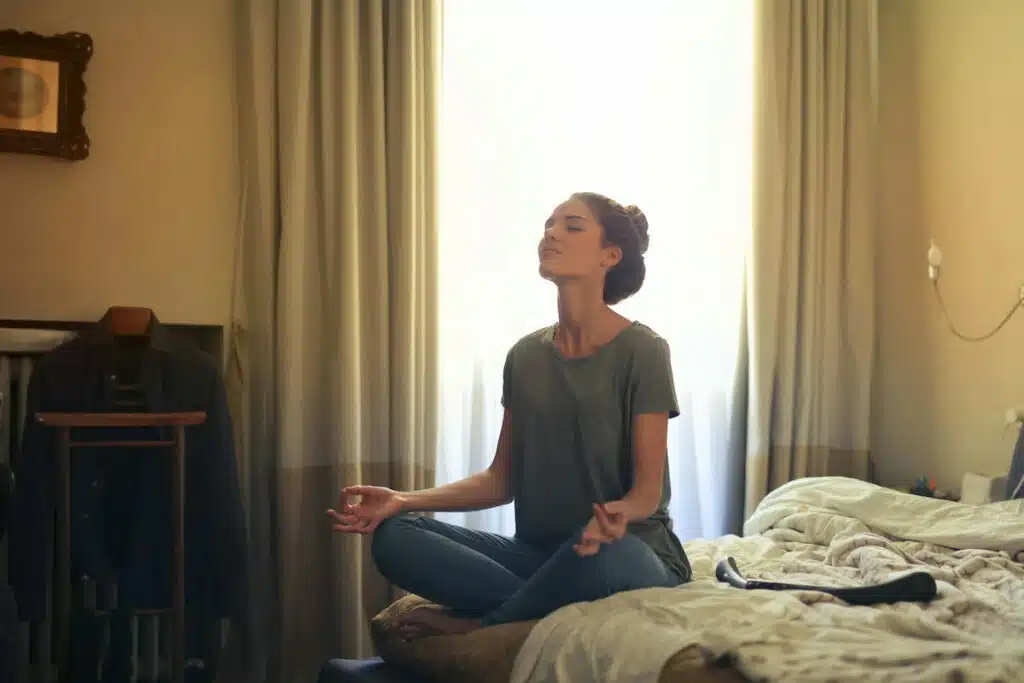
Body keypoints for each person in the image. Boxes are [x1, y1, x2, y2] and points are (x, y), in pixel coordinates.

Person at [327, 192, 691, 639]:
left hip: (625, 551)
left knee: (606, 555)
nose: (551, 233)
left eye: (572, 226)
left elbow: (647, 493)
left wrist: (617, 511)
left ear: (609, 256)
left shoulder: (644, 351)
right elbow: (501, 480)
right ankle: (536, 605)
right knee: (397, 536)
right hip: (537, 557)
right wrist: (404, 499)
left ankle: (484, 625)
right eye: (548, 225)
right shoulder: (525, 356)